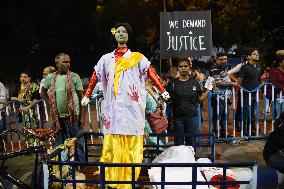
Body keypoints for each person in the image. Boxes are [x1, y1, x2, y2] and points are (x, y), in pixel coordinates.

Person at [81, 23, 170, 189]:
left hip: (132, 111)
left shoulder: (137, 57)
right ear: (114, 35)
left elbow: (151, 72)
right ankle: (112, 180)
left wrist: (162, 89)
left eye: (124, 32)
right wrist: (87, 95)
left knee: (132, 148)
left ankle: (128, 181)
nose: (121, 34)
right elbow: (94, 77)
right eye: (118, 31)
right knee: (112, 146)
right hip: (112, 113)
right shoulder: (106, 59)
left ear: (129, 35)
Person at [41, 53, 85, 161]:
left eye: (69, 62)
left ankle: (82, 168)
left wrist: (82, 117)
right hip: (58, 119)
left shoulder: (75, 76)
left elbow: (82, 98)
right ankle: (65, 169)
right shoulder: (50, 78)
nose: (68, 64)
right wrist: (49, 104)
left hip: (74, 118)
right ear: (57, 64)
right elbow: (43, 92)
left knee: (77, 144)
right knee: (61, 145)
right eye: (64, 62)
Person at [166, 58, 211, 146]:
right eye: (181, 66)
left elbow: (200, 99)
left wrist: (208, 89)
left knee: (191, 142)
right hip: (177, 118)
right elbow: (168, 100)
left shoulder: (195, 83)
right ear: (178, 68)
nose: (183, 68)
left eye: (185, 66)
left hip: (192, 118)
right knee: (178, 144)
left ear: (189, 68)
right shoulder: (172, 84)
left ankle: (191, 159)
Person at [210, 53, 237, 138]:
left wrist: (235, 80)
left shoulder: (225, 67)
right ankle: (215, 133)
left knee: (225, 115)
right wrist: (232, 83)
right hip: (217, 96)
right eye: (221, 59)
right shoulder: (214, 69)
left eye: (225, 59)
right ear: (216, 60)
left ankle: (224, 133)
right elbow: (219, 82)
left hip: (225, 96)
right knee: (217, 115)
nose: (224, 61)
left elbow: (228, 75)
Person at [11, 71, 40, 145]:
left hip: (33, 111)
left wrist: (28, 104)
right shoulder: (17, 86)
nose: (23, 78)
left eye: (25, 77)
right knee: (24, 128)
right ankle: (29, 145)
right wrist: (18, 99)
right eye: (21, 77)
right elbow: (11, 97)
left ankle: (36, 144)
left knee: (34, 127)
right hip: (22, 112)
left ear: (29, 78)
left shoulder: (34, 86)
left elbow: (37, 98)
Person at [237, 48, 262, 136]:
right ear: (248, 56)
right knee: (246, 113)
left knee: (253, 113)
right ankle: (245, 132)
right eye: (254, 54)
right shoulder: (244, 67)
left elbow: (258, 80)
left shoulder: (259, 67)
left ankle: (251, 130)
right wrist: (243, 91)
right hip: (246, 95)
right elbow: (239, 82)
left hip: (255, 94)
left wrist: (259, 90)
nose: (257, 55)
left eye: (257, 53)